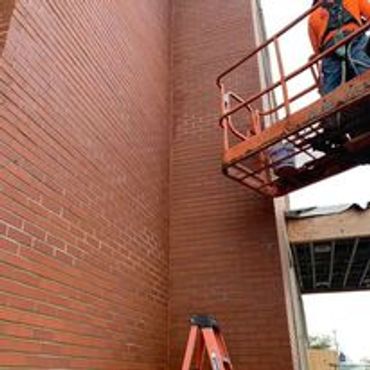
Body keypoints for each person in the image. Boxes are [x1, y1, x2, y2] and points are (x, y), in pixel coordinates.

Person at [308, 0, 370, 150]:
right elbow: (317, 49)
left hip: (354, 38)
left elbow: (316, 49)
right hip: (331, 49)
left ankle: (333, 120)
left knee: (360, 67)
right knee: (331, 87)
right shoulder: (313, 16)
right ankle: (333, 122)